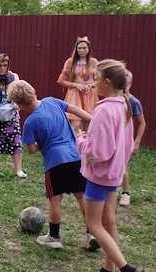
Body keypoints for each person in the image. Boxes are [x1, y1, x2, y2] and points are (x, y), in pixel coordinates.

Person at [76, 59, 145, 272]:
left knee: (94, 224)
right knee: (109, 221)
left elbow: (98, 152)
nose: (93, 83)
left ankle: (127, 271)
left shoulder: (105, 110)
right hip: (114, 174)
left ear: (106, 82)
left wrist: (81, 141)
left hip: (100, 175)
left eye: (95, 79)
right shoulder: (124, 104)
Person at [8, 80, 94, 250]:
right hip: (76, 156)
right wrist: (92, 121)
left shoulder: (30, 122)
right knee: (81, 196)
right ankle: (92, 234)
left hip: (55, 162)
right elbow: (76, 110)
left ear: (19, 105)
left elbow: (31, 148)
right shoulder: (52, 101)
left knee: (55, 200)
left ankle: (54, 237)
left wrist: (43, 142)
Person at [57, 36, 98, 132]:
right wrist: (76, 85)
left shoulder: (94, 62)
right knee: (76, 123)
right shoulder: (70, 62)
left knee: (89, 123)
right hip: (75, 95)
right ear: (76, 49)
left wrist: (91, 85)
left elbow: (99, 80)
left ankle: (87, 146)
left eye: (84, 48)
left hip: (89, 95)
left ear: (88, 49)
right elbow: (61, 80)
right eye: (79, 48)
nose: (82, 50)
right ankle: (74, 146)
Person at [118, 71, 147, 207]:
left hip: (125, 138)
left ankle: (125, 193)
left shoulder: (134, 102)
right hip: (113, 137)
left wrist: (137, 141)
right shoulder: (113, 100)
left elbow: (142, 123)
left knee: (122, 166)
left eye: (127, 83)